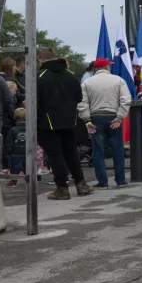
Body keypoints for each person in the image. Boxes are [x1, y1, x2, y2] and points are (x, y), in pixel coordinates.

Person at [37, 48, 93, 200]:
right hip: (70, 120)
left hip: (48, 122)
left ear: (40, 60)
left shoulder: (40, 76)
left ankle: (62, 188)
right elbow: (78, 97)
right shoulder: (70, 75)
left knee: (56, 155)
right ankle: (81, 184)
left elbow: (35, 101)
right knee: (71, 153)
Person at [79, 58, 132, 189]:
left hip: (95, 118)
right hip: (113, 116)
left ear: (96, 68)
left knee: (98, 151)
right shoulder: (118, 80)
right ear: (107, 67)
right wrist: (120, 117)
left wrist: (87, 120)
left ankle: (102, 182)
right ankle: (121, 180)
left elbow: (82, 103)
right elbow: (126, 100)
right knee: (118, 149)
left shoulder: (87, 83)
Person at [7, 107, 27, 185]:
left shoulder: (13, 129)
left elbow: (9, 142)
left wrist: (7, 152)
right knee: (27, 167)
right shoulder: (30, 129)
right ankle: (30, 179)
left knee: (15, 166)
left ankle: (13, 181)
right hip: (27, 151)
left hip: (16, 152)